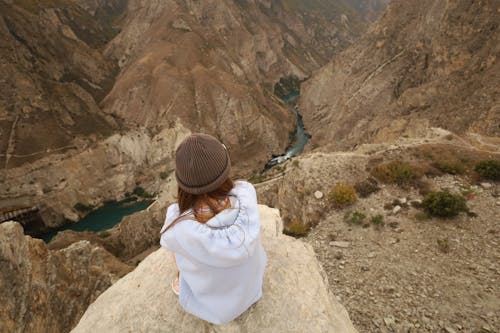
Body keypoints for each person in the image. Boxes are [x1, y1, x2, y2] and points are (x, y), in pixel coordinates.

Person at [159, 133, 267, 325]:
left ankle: (188, 283)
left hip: (215, 308)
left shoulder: (179, 227)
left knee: (178, 252)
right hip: (252, 289)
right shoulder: (246, 195)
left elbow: (168, 239)